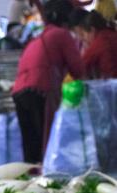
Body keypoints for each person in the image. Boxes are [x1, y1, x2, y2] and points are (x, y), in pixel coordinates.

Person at [11, 0, 85, 163]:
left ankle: (30, 178)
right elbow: (78, 69)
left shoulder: (41, 35)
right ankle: (44, 180)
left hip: (19, 90)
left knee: (30, 144)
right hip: (40, 88)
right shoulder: (61, 35)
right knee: (45, 142)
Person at [80, 10, 117, 79]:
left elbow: (79, 67)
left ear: (92, 30)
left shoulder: (99, 42)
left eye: (84, 34)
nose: (84, 38)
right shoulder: (113, 33)